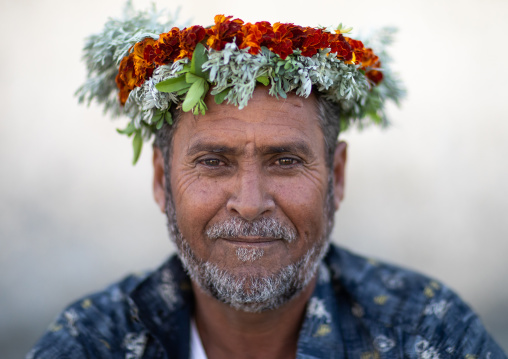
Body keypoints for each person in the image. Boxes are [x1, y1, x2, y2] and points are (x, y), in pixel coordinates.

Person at [28, 7, 506, 359]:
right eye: (214, 162)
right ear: (161, 179)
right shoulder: (91, 343)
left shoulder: (425, 331)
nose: (251, 203)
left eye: (285, 161)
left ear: (336, 177)